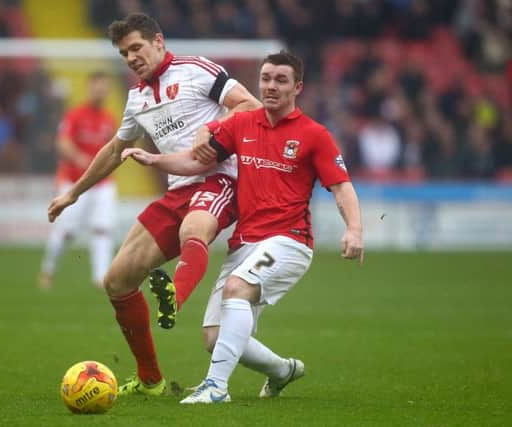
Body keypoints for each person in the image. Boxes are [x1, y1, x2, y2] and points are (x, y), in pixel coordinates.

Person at [122, 50, 364, 403]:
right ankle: (283, 370)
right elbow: (195, 159)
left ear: (297, 87)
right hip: (245, 244)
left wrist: (354, 229)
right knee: (214, 337)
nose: (271, 86)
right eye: (266, 78)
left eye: (281, 80)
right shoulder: (241, 124)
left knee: (237, 288)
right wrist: (155, 159)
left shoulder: (314, 135)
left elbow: (342, 186)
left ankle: (216, 388)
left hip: (288, 242)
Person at [47, 13, 261, 396]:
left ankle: (173, 297)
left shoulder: (197, 70)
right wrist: (73, 193)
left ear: (158, 42)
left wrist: (213, 129)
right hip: (177, 190)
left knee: (194, 228)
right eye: (124, 52)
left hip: (220, 179)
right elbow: (115, 151)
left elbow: (249, 104)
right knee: (118, 279)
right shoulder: (137, 97)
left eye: (136, 48)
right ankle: (150, 380)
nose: (130, 57)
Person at [39, 71, 118, 290]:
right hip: (74, 182)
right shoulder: (74, 115)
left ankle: (101, 278)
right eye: (97, 86)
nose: (100, 90)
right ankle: (48, 269)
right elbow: (62, 143)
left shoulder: (108, 119)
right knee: (66, 231)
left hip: (102, 183)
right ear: (90, 88)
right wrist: (78, 157)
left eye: (104, 87)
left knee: (103, 229)